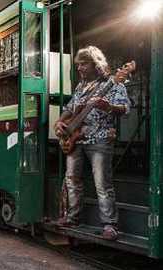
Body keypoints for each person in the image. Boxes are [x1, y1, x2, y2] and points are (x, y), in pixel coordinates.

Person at [54, 46, 131, 240]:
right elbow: (69, 108)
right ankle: (72, 218)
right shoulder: (81, 87)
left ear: (96, 64)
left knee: (102, 183)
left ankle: (109, 225)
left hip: (100, 139)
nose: (79, 68)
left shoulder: (114, 84)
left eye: (83, 64)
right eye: (78, 64)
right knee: (72, 180)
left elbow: (125, 108)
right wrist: (60, 122)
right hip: (76, 140)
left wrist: (108, 106)